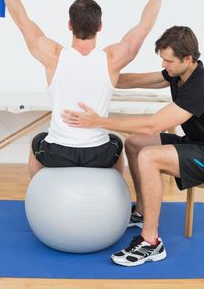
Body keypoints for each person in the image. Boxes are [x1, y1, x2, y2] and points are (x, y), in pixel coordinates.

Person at [0, 0, 164, 178]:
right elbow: (145, 24)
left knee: (36, 142)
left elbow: (22, 19)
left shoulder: (53, 56)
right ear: (100, 26)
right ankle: (117, 196)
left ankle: (35, 195)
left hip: (58, 152)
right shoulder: (112, 59)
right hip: (98, 153)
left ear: (69, 25)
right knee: (116, 143)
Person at [62, 25, 204, 266]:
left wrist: (99, 122)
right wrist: (103, 73)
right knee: (136, 144)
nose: (164, 66)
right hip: (194, 143)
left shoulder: (199, 85)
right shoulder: (179, 72)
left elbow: (153, 125)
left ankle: (151, 241)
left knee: (149, 156)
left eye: (168, 61)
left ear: (188, 58)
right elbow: (138, 80)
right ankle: (141, 212)